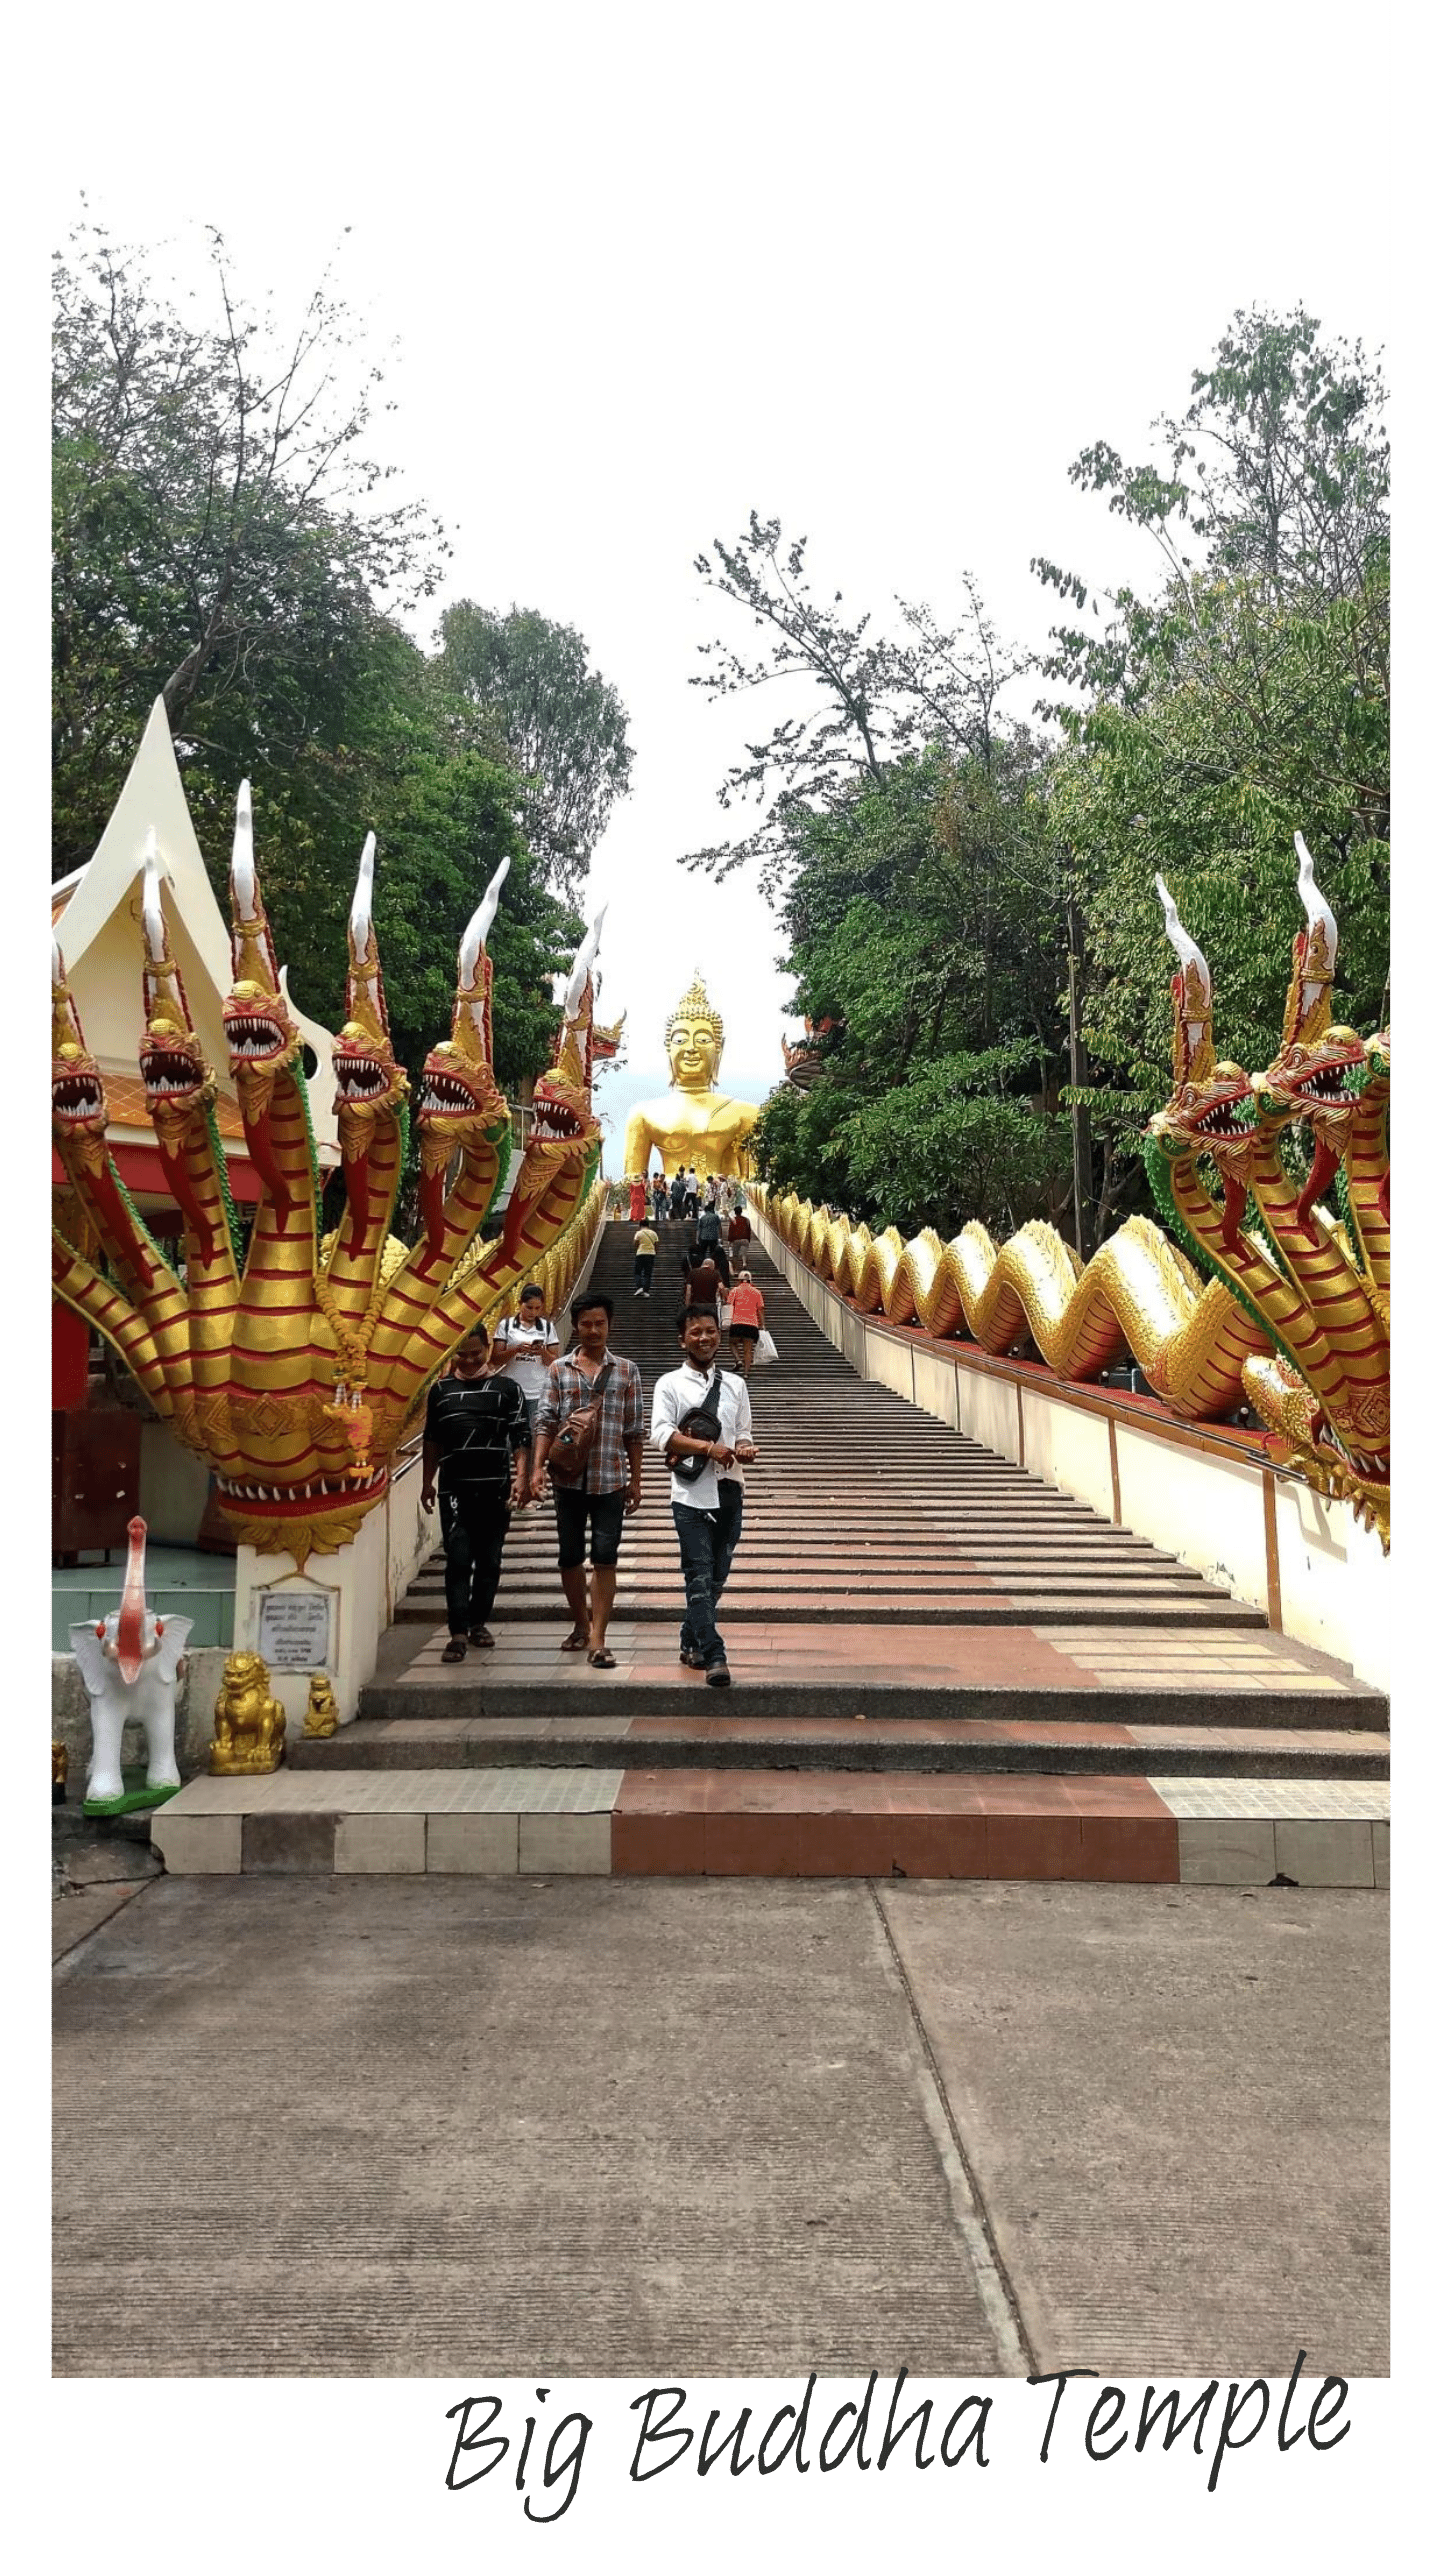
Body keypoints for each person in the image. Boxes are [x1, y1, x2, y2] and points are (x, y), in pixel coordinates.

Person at [529, 1293, 646, 1671]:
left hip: (610, 1478)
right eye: (586, 1324)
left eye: (600, 1323)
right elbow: (545, 1422)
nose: (593, 1330)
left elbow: (634, 1430)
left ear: (609, 1325)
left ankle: (598, 1638)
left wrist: (637, 1480)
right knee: (569, 1556)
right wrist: (536, 1470)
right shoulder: (559, 1370)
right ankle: (581, 1622)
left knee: (605, 1557)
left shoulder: (627, 1371)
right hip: (567, 1480)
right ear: (575, 1326)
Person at [650, 1306, 758, 1688]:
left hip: (729, 1489)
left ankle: (690, 1638)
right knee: (697, 1572)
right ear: (683, 1339)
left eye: (710, 1331)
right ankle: (715, 1653)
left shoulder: (735, 1385)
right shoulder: (669, 1384)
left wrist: (744, 1448)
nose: (704, 1338)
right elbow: (661, 1434)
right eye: (696, 1332)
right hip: (691, 1495)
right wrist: (706, 1448)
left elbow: (743, 1432)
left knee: (716, 1576)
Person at [421, 1327, 531, 1663]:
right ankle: (457, 1633)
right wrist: (428, 1482)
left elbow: (521, 1437)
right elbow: (432, 1440)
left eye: (475, 1353)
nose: (469, 1361)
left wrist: (522, 1477)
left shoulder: (507, 1389)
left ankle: (479, 1622)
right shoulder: (440, 1391)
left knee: (490, 1560)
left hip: (496, 1488)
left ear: (487, 1348)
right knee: (457, 1560)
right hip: (455, 1491)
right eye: (461, 1354)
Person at [489, 1284, 560, 1433]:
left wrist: (542, 1352)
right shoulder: (506, 1325)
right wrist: (516, 1349)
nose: (533, 1312)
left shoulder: (547, 1327)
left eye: (537, 1308)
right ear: (520, 1303)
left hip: (537, 1390)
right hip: (510, 1389)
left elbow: (554, 1361)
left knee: (534, 1435)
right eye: (529, 1307)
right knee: (509, 1434)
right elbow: (495, 1359)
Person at [723, 1263, 767, 1378]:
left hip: (737, 1322)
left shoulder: (735, 1290)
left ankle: (738, 1360)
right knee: (748, 1350)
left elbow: (728, 1304)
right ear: (750, 1280)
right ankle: (746, 1373)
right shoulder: (757, 1292)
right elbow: (760, 1309)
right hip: (752, 1324)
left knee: (732, 1343)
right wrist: (762, 1325)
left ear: (739, 1280)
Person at [633, 1218, 658, 1296]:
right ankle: (646, 1291)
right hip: (650, 1254)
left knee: (637, 1272)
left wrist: (638, 1249)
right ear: (648, 1225)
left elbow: (635, 1243)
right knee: (648, 1273)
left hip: (640, 1254)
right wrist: (654, 1251)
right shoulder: (653, 1233)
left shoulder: (639, 1233)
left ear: (640, 1225)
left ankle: (639, 1287)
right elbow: (656, 1244)